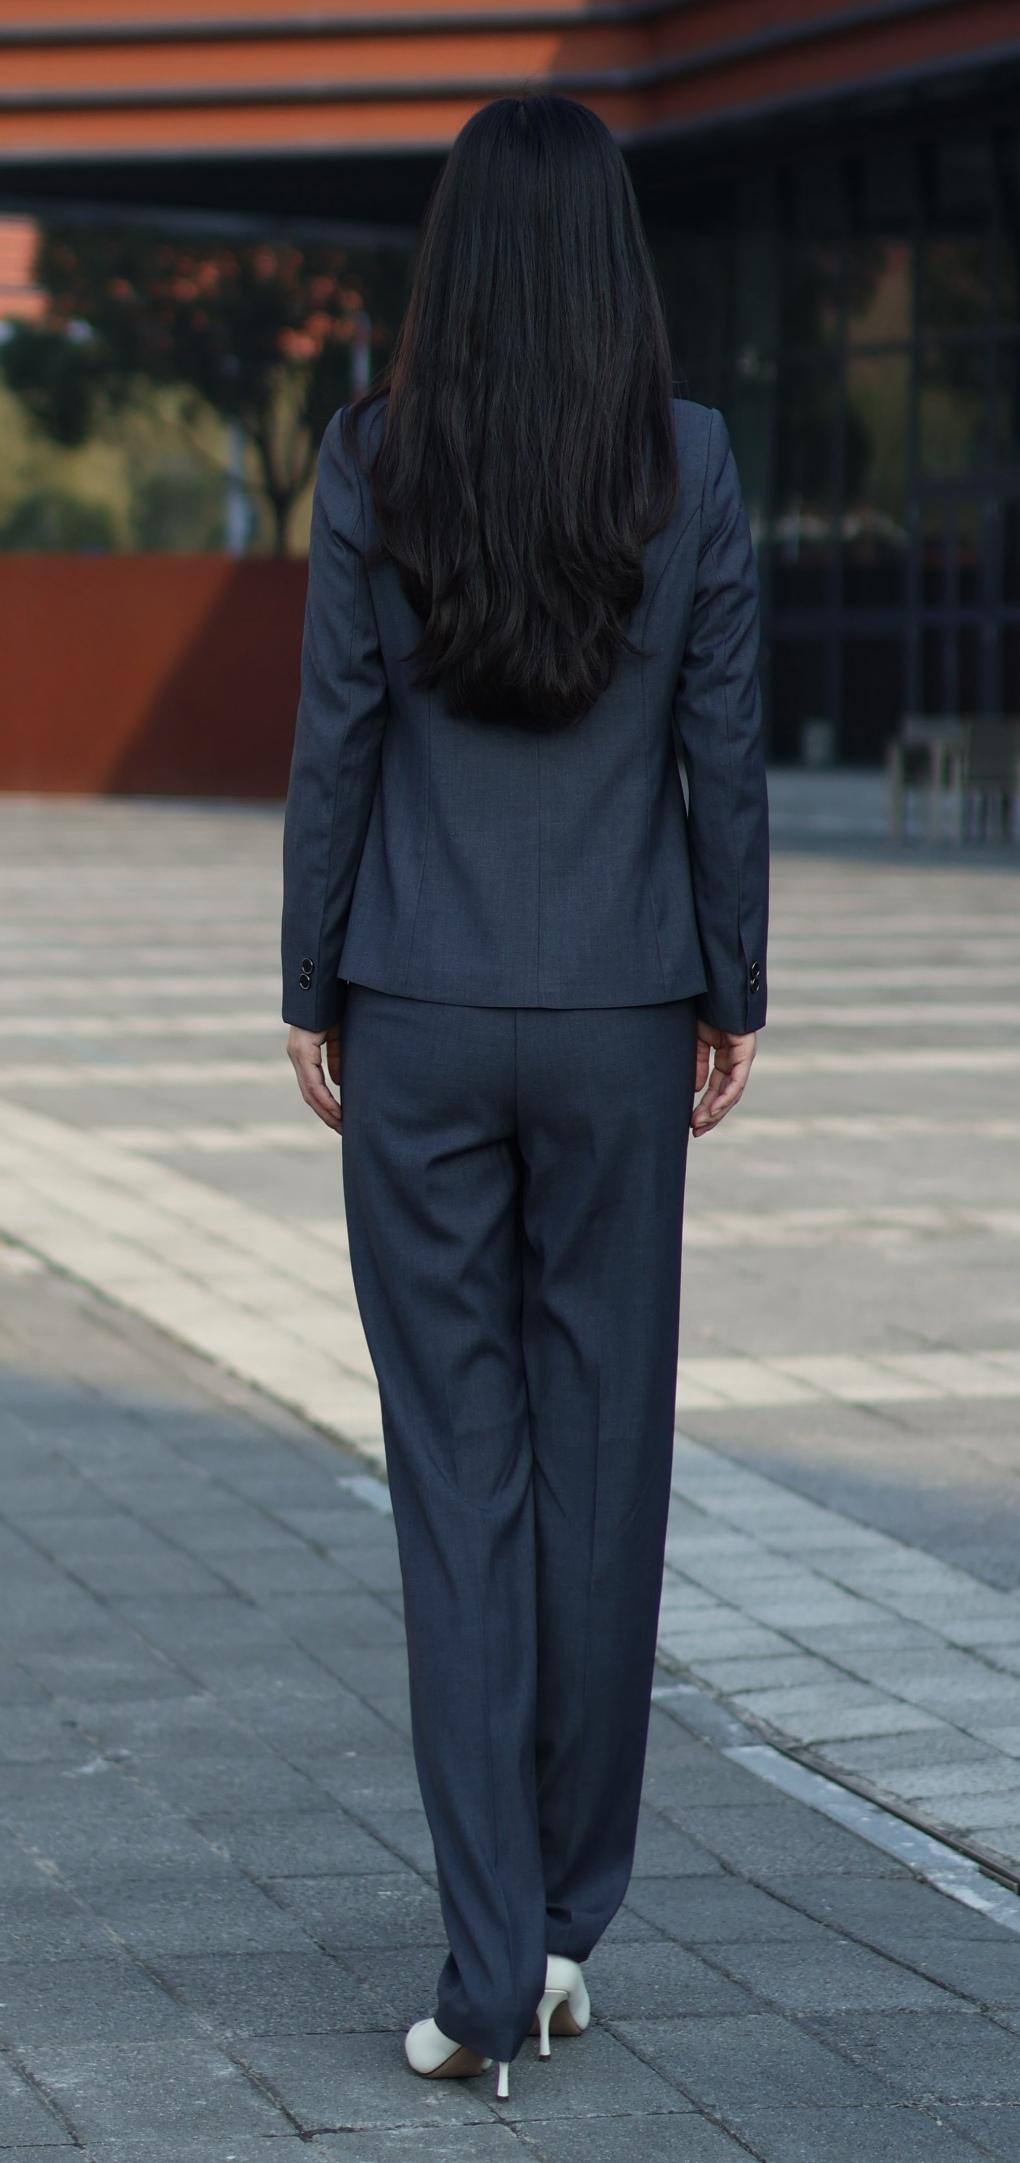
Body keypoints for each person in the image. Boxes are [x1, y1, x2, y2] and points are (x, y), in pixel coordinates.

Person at [280, 90, 768, 2104]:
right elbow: (723, 746)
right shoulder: (695, 463)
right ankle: (563, 1924)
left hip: (413, 1007)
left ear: (458, 261)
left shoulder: (374, 458)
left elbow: (338, 740)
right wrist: (733, 986)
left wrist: (309, 981)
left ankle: (486, 1966)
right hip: (619, 1016)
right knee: (604, 1463)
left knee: (458, 1484)